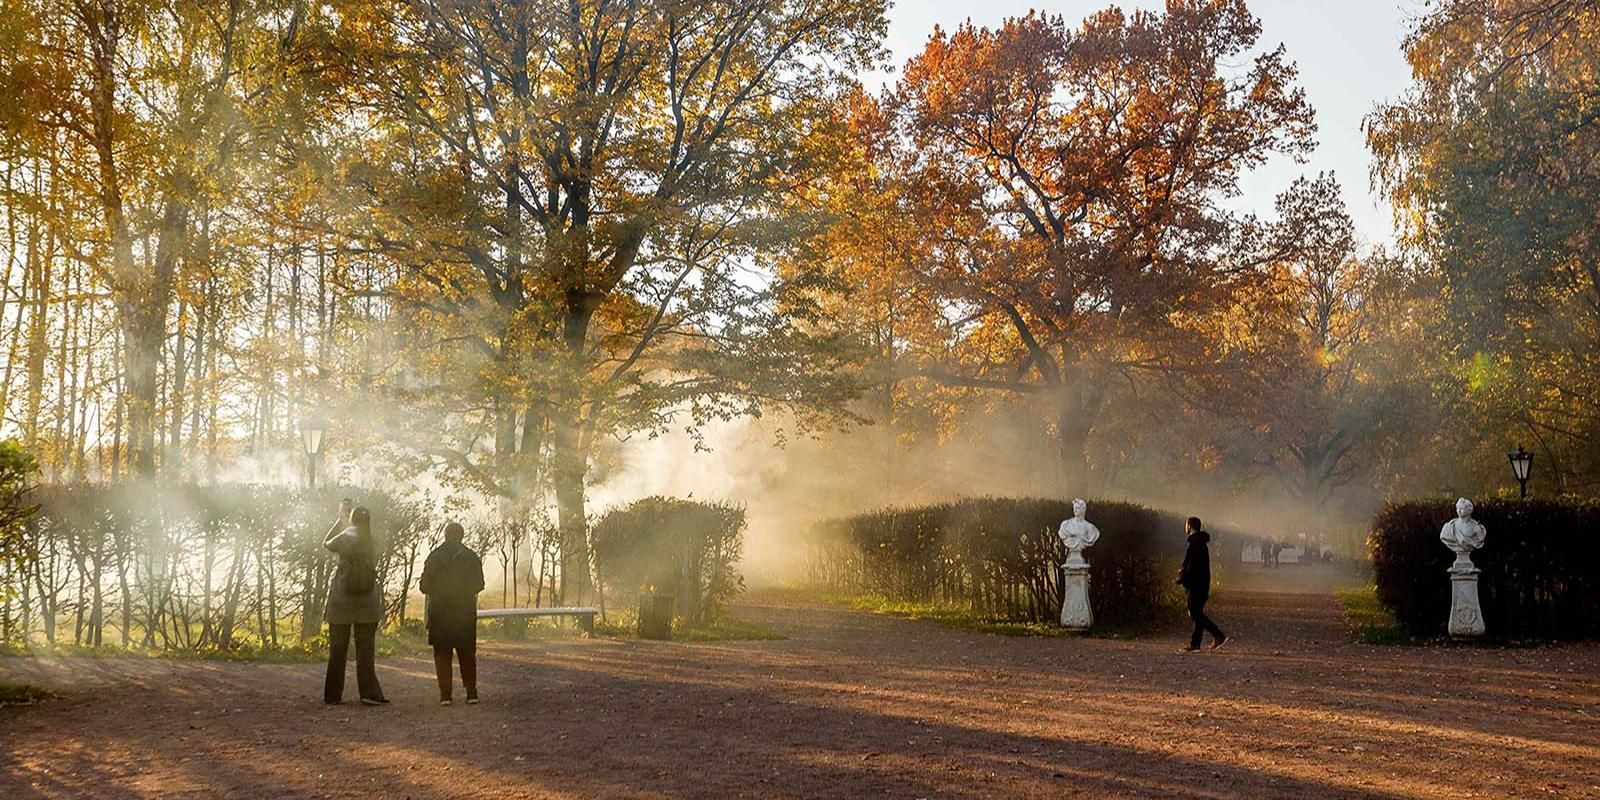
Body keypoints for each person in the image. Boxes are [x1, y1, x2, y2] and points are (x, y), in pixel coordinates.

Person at [322, 499, 388, 705]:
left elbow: (326, 543)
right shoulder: (372, 541)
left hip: (341, 600)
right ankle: (369, 693)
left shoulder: (344, 538)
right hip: (367, 602)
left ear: (352, 519)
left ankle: (333, 695)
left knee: (337, 650)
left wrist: (340, 520)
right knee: (365, 650)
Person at [420, 521, 485, 706]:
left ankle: (445, 695)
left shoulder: (434, 557)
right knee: (467, 653)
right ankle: (471, 693)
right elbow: (479, 584)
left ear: (445, 535)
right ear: (462, 536)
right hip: (464, 613)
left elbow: (424, 586)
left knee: (442, 653)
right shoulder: (471, 557)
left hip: (440, 612)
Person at [1176, 515, 1228, 653]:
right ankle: (1196, 644)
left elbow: (1191, 566)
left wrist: (1181, 577)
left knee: (1195, 613)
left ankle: (1217, 635)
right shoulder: (1199, 543)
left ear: (1190, 526)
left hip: (1196, 584)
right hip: (1201, 583)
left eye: (1186, 524)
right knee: (1197, 613)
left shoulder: (1195, 544)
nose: (1185, 527)